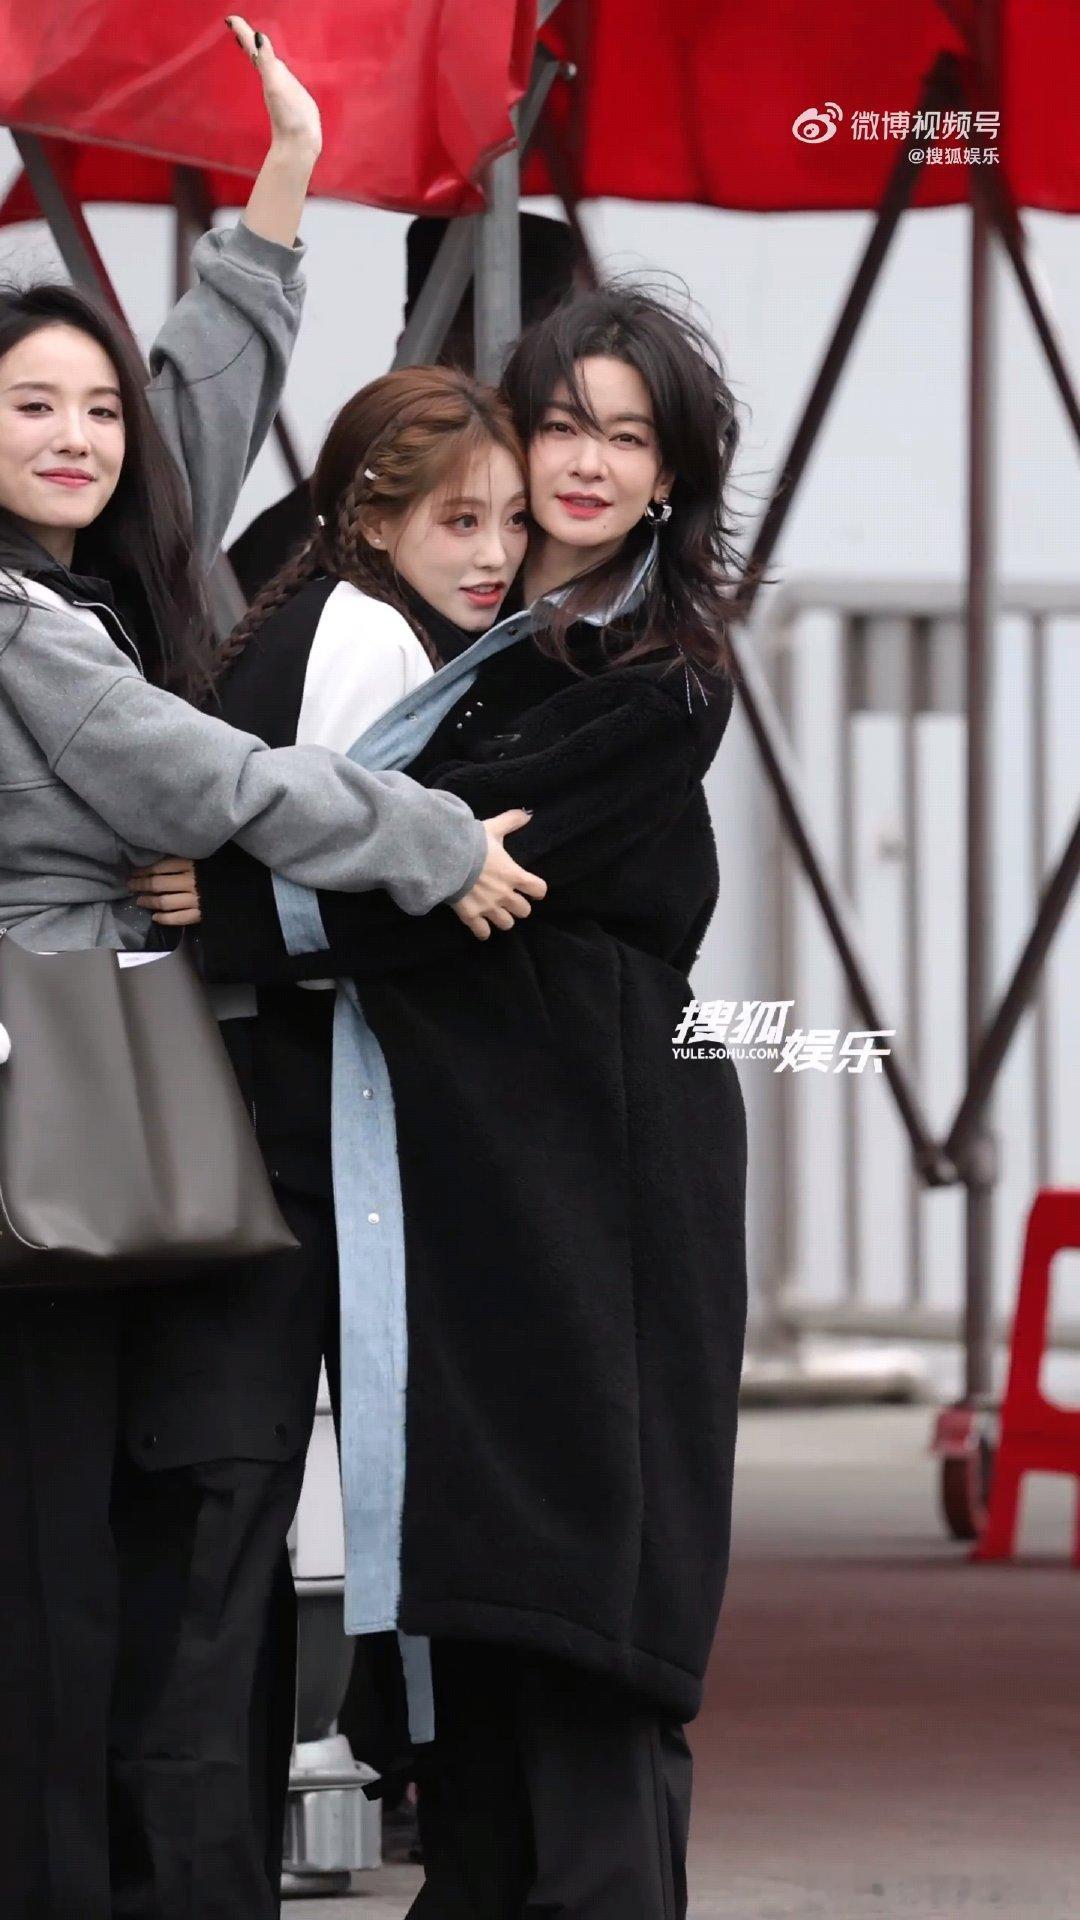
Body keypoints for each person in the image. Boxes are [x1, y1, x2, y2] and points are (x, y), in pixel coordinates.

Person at [0, 22, 542, 1919]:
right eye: (29, 407)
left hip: (109, 1086)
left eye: (92, 406)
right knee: (51, 1548)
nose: (79, 434)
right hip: (48, 1080)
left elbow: (191, 413)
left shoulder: (94, 574)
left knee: (105, 1527)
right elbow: (207, 778)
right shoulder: (23, 622)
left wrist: (283, 186)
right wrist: (432, 836)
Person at [192, 279, 749, 1919]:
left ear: (670, 477)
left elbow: (428, 876)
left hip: (605, 1181)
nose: (585, 464)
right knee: (490, 1601)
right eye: (563, 422)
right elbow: (400, 855)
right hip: (486, 1177)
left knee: (582, 1606)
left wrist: (211, 899)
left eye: (626, 438)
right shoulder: (481, 641)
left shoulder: (655, 674)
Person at [110, 363, 534, 1918]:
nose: (495, 553)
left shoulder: (296, 618)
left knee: (216, 1528)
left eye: (508, 522)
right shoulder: (366, 640)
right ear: (372, 512)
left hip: (239, 1130)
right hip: (297, 1137)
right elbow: (360, 875)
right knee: (243, 1535)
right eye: (457, 519)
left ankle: (195, 1866)